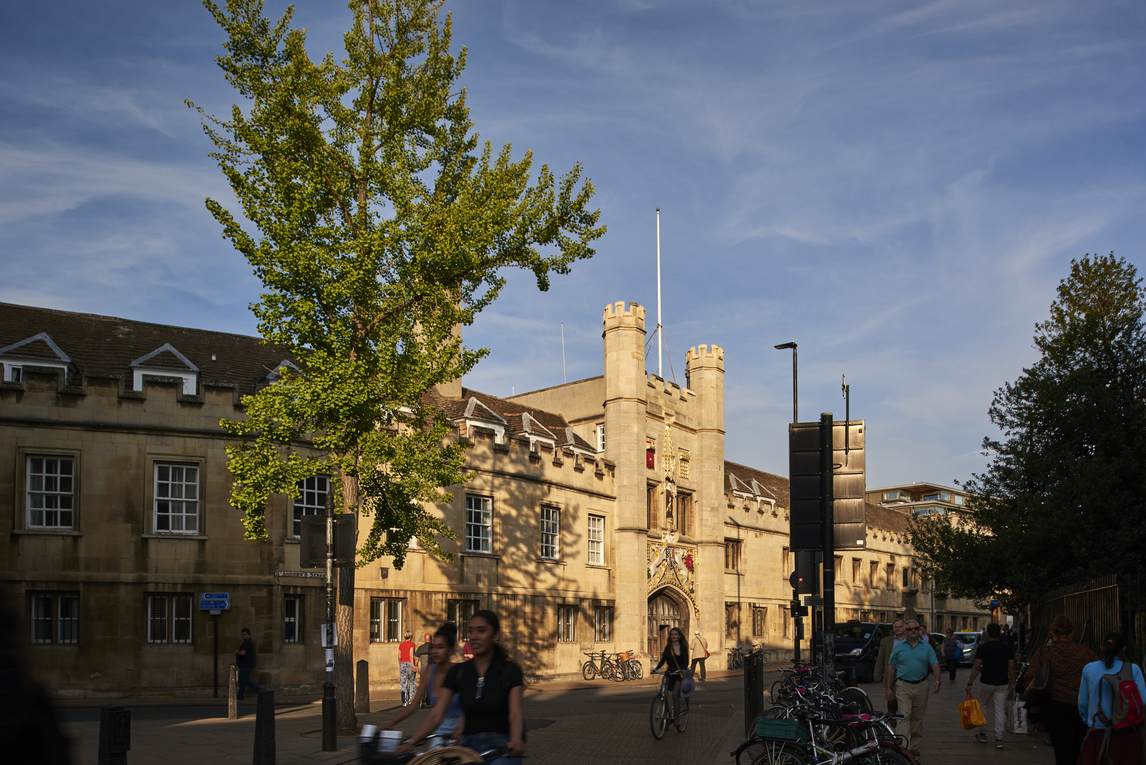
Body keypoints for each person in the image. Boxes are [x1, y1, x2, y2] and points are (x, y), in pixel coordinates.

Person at [398, 610, 525, 763]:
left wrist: (516, 739)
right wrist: (411, 742)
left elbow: (515, 713)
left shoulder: (510, 670)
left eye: (482, 631)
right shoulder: (459, 672)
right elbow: (436, 715)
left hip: (502, 747)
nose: (474, 636)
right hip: (467, 748)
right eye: (470, 631)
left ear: (496, 635)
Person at [1020, 614, 1096, 765]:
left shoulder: (1045, 652)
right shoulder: (1085, 652)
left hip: (1054, 706)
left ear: (1053, 632)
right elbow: (1096, 674)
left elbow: (1029, 679)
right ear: (1072, 632)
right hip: (1080, 706)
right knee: (1076, 748)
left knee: (1062, 751)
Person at [387, 623, 464, 749]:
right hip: (439, 728)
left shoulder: (459, 671)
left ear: (451, 649)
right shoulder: (430, 671)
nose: (435, 651)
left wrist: (461, 725)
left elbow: (471, 705)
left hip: (459, 731)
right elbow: (414, 705)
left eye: (440, 647)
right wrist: (390, 724)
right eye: (433, 647)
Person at [1077, 633, 1146, 765]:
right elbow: (1142, 700)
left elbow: (1082, 702)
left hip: (1098, 728)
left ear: (1102, 647)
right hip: (1126, 729)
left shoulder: (1089, 668)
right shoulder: (1133, 669)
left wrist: (1088, 720)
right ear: (1124, 649)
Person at [885, 619, 940, 756]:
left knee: (917, 718)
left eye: (915, 628)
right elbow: (891, 668)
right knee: (904, 715)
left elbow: (935, 664)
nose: (913, 630)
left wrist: (937, 681)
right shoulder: (898, 647)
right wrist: (888, 687)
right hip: (903, 685)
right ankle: (903, 747)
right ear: (905, 631)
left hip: (921, 685)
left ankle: (913, 744)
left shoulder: (926, 647)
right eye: (910, 629)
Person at [966, 623, 1016, 748]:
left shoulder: (983, 648)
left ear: (987, 634)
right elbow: (1012, 667)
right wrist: (1014, 682)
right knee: (1000, 710)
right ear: (1000, 633)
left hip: (986, 682)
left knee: (983, 706)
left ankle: (983, 733)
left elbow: (977, 667)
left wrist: (970, 683)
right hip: (1002, 683)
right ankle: (999, 738)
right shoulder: (1007, 648)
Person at [653, 627, 690, 729]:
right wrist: (656, 669)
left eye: (675, 634)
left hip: (678, 674)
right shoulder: (667, 647)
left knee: (674, 694)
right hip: (669, 673)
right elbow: (663, 660)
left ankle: (677, 718)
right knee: (663, 694)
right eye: (672, 634)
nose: (673, 636)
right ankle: (667, 716)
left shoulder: (683, 647)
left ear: (679, 636)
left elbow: (686, 661)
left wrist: (683, 669)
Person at [874, 619, 906, 714]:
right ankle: (892, 713)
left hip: (906, 672)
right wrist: (877, 673)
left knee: (905, 696)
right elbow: (881, 659)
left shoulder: (910, 640)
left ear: (904, 628)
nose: (898, 629)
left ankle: (904, 714)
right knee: (892, 697)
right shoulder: (886, 641)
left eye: (900, 627)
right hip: (892, 672)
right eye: (895, 627)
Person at [234, 627, 262, 700]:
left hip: (246, 665)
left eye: (244, 634)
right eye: (242, 634)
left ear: (248, 635)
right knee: (242, 681)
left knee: (245, 680)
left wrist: (237, 652)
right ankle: (240, 696)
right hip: (245, 665)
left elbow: (243, 653)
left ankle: (260, 690)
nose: (243, 636)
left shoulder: (248, 642)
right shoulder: (248, 642)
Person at [398, 632, 417, 706]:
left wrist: (400, 664)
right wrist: (413, 665)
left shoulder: (401, 645)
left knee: (403, 684)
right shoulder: (412, 644)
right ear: (410, 636)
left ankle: (404, 701)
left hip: (403, 664)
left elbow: (399, 657)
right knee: (412, 682)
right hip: (409, 664)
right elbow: (411, 655)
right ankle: (411, 700)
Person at [415, 632, 433, 707]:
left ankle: (422, 697)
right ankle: (428, 700)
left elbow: (416, 659)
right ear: (431, 639)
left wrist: (415, 666)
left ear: (424, 639)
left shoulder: (420, 648)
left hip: (423, 670)